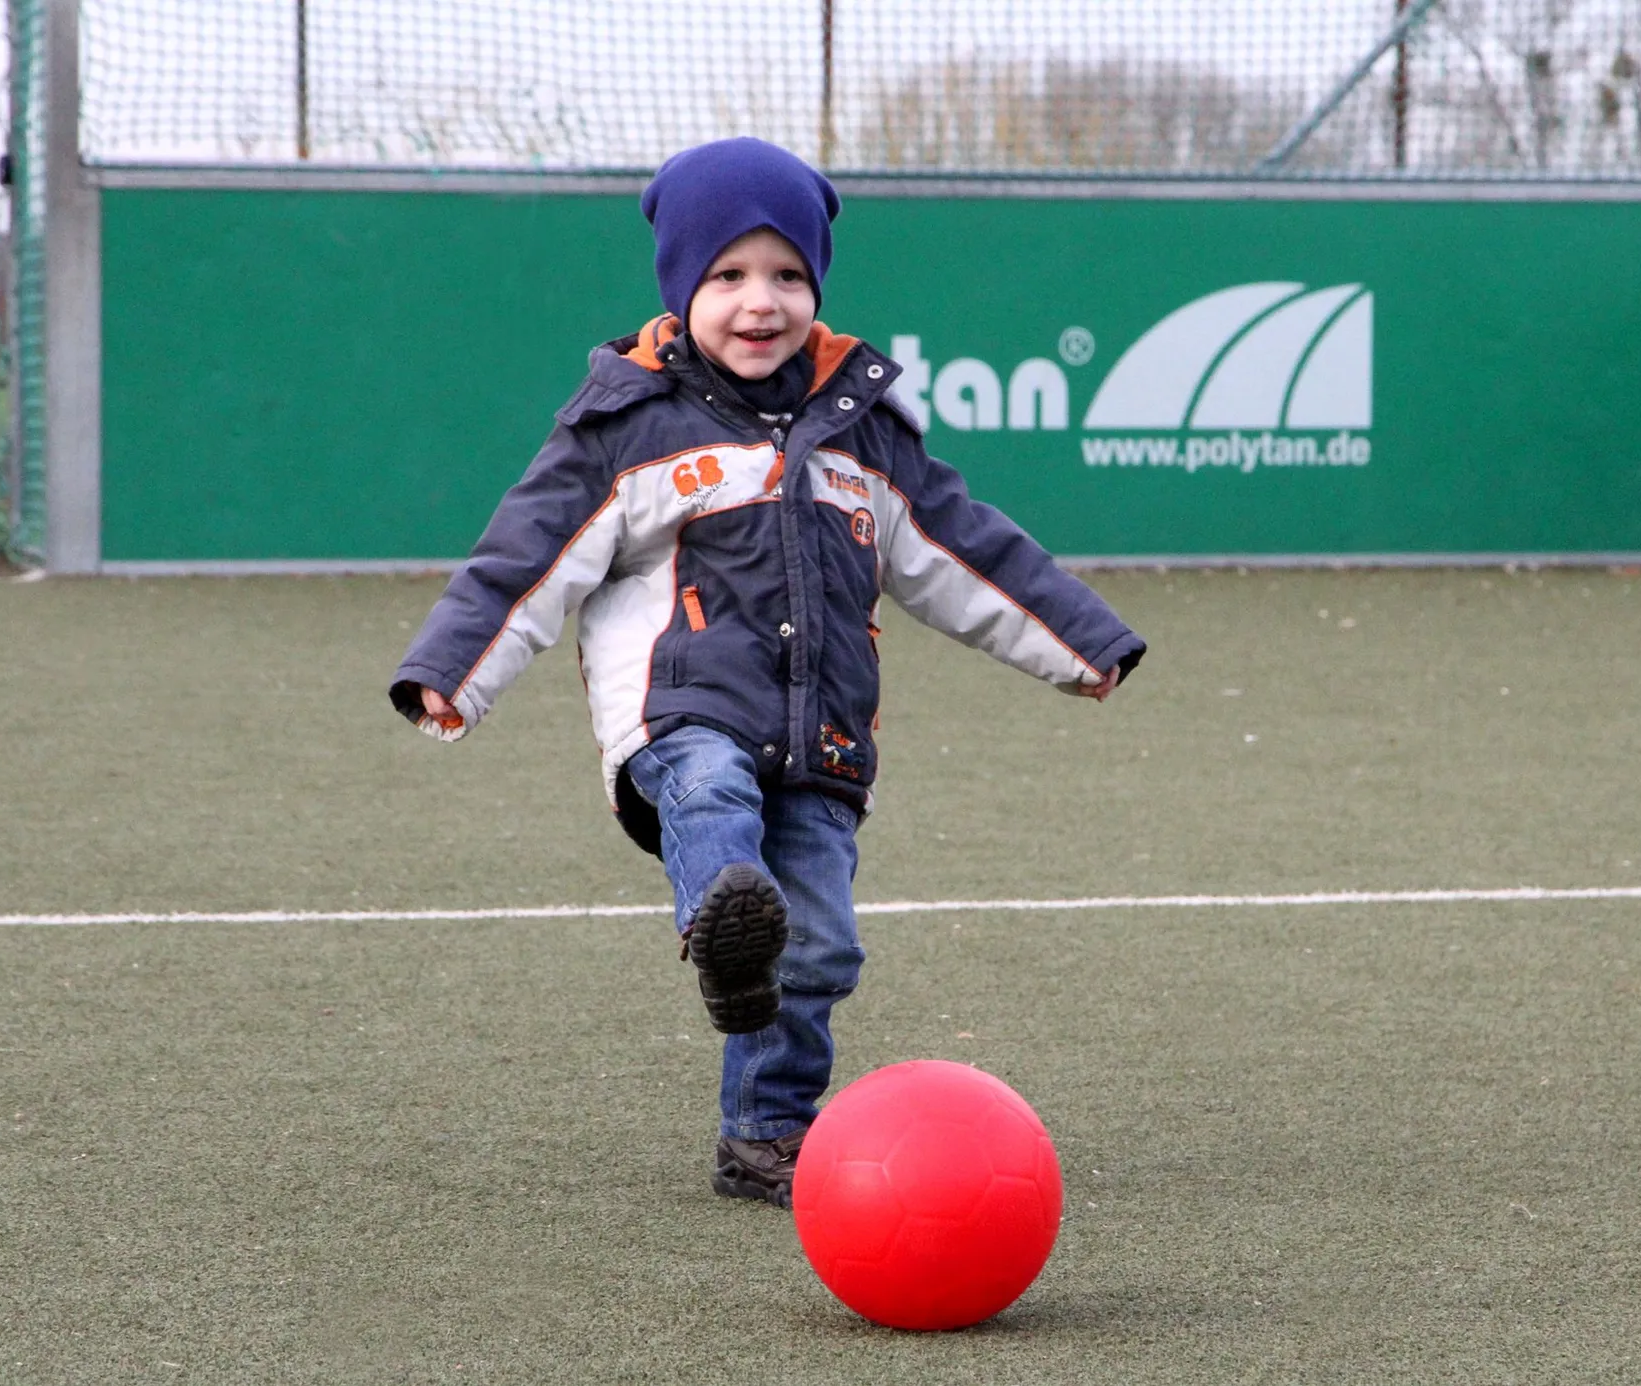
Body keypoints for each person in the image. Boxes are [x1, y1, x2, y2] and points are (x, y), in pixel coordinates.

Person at [390, 137, 1145, 1209]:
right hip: (680, 715)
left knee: (823, 952)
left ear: (818, 287)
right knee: (711, 795)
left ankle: (767, 1135)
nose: (762, 302)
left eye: (788, 276)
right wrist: (450, 673)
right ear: (681, 287)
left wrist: (1084, 643)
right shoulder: (626, 425)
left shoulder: (863, 433)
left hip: (824, 736)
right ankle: (722, 924)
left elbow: (968, 551)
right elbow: (522, 560)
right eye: (730, 276)